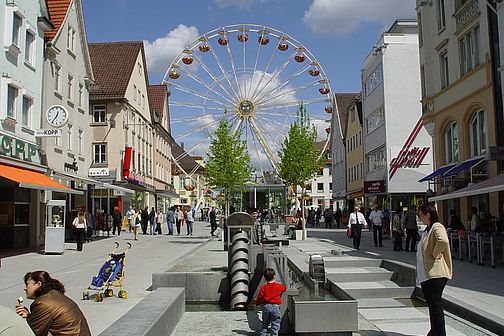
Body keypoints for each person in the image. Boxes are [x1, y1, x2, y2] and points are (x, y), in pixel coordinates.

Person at [15, 271, 91, 336]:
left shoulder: (43, 303)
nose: (25, 288)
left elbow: (32, 332)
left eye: (27, 284)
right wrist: (29, 316)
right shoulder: (54, 295)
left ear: (38, 284)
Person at [416, 203, 452, 336]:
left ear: (428, 215)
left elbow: (443, 240)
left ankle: (439, 333)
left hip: (435, 274)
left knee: (435, 304)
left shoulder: (437, 226)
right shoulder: (427, 230)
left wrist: (435, 253)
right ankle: (435, 331)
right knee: (432, 305)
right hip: (428, 274)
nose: (420, 218)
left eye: (421, 215)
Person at [256, 268, 287, 336]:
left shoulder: (264, 287)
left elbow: (260, 297)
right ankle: (274, 334)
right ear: (274, 276)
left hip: (266, 306)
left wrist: (257, 303)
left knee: (265, 323)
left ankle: (263, 334)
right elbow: (285, 288)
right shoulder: (278, 287)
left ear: (265, 278)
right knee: (275, 323)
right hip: (275, 307)